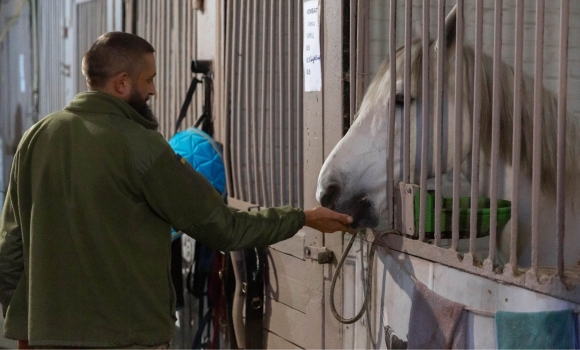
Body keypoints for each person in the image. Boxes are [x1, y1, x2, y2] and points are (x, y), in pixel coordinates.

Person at [0, 32, 353, 349]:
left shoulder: (35, 138)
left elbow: (10, 250)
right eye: (148, 79)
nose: (153, 90)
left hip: (44, 337)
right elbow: (223, 227)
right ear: (122, 83)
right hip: (126, 338)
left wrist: (26, 327)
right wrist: (302, 217)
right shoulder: (141, 146)